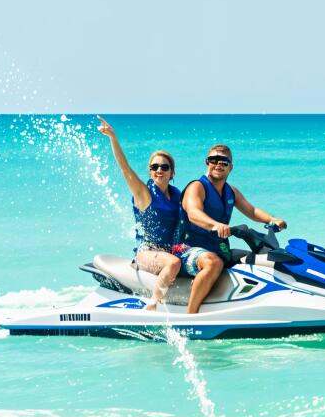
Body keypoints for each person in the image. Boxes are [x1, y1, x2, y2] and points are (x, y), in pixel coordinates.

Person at [180, 144, 286, 315]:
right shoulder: (197, 187)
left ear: (231, 166)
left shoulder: (230, 191)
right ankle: (190, 316)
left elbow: (251, 211)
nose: (218, 164)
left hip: (218, 248)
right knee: (213, 263)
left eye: (223, 161)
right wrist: (215, 225)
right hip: (188, 249)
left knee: (261, 258)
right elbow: (193, 213)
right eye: (213, 160)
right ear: (207, 163)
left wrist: (272, 219)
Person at [98, 118, 184, 313]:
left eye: (164, 167)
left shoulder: (177, 194)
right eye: (154, 167)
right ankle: (153, 304)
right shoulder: (144, 193)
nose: (159, 170)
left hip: (171, 249)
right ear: (150, 171)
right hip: (147, 253)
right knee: (174, 263)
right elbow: (125, 170)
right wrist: (113, 138)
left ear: (172, 172)